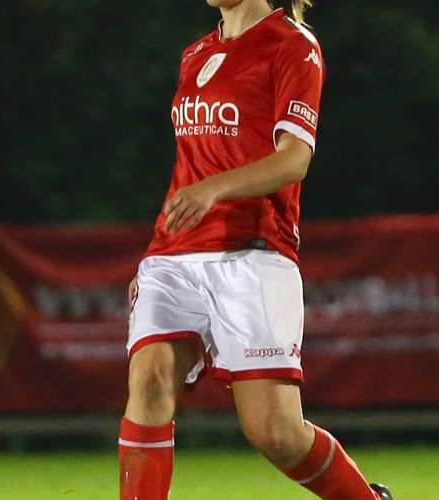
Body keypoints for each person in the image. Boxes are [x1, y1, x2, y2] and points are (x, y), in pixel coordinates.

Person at [118, 1, 393, 499]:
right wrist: (155, 251)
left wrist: (214, 190)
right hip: (174, 255)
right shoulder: (195, 54)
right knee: (150, 384)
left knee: (275, 433)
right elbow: (191, 172)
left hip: (253, 251)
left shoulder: (293, 47)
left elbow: (294, 160)